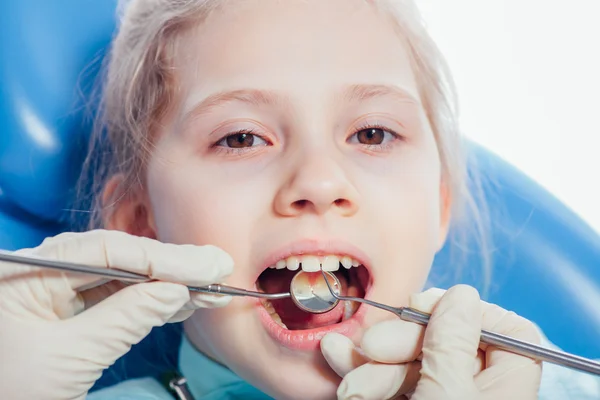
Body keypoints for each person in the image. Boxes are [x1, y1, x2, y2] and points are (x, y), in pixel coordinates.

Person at [1, 0, 599, 399]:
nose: (318, 182)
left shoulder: (536, 384)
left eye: (371, 134)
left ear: (439, 207)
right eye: (241, 138)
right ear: (141, 229)